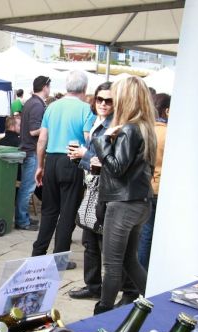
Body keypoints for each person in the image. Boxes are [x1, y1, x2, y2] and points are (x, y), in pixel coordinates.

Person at [91, 77, 157, 314]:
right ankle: (155, 303)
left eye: (116, 95)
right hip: (138, 202)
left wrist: (100, 140)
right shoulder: (145, 128)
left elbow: (117, 167)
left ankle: (102, 313)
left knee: (112, 265)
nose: (112, 101)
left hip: (123, 204)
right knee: (129, 260)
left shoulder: (129, 129)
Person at [32, 70, 92, 265]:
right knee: (67, 212)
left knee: (49, 210)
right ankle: (59, 259)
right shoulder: (86, 109)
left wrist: (40, 166)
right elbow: (89, 139)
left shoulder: (51, 107)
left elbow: (42, 140)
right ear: (84, 88)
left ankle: (38, 253)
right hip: (72, 159)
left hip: (52, 160)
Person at [68, 82, 112, 300]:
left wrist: (83, 156)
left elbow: (105, 162)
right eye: (100, 99)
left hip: (105, 191)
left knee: (103, 243)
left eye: (108, 100)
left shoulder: (114, 126)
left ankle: (112, 290)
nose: (103, 104)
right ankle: (93, 286)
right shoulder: (98, 122)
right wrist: (84, 157)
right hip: (93, 186)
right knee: (89, 239)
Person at [138, 93, 171, 270]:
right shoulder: (168, 134)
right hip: (159, 188)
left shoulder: (145, 130)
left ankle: (137, 273)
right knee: (149, 234)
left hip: (144, 187)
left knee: (143, 233)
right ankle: (142, 274)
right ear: (167, 110)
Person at [16, 76, 50, 231]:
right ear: (45, 87)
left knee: (27, 187)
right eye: (49, 86)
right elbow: (33, 130)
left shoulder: (31, 102)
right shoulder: (37, 105)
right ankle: (22, 220)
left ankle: (23, 218)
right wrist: (48, 129)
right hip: (31, 150)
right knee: (28, 188)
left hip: (28, 150)